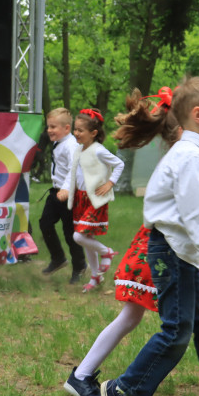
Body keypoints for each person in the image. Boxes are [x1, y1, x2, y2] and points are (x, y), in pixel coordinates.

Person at [64, 88, 199, 396]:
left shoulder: (187, 149)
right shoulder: (187, 153)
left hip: (161, 245)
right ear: (193, 116)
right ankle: (91, 378)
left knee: (197, 310)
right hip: (165, 248)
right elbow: (193, 214)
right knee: (169, 318)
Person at [62, 108, 124, 293]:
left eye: (80, 130)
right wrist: (66, 189)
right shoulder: (79, 150)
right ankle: (96, 276)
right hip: (81, 199)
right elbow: (73, 172)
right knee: (87, 237)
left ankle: (107, 252)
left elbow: (119, 164)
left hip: (95, 199)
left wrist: (110, 183)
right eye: (75, 129)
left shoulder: (99, 151)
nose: (76, 133)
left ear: (93, 133)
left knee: (78, 236)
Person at [38, 107, 88, 284]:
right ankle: (58, 258)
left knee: (70, 233)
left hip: (69, 194)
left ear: (67, 128)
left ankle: (80, 265)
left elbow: (74, 170)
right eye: (48, 127)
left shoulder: (71, 145)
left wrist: (67, 189)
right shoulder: (59, 142)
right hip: (56, 192)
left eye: (53, 127)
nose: (49, 130)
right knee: (45, 223)